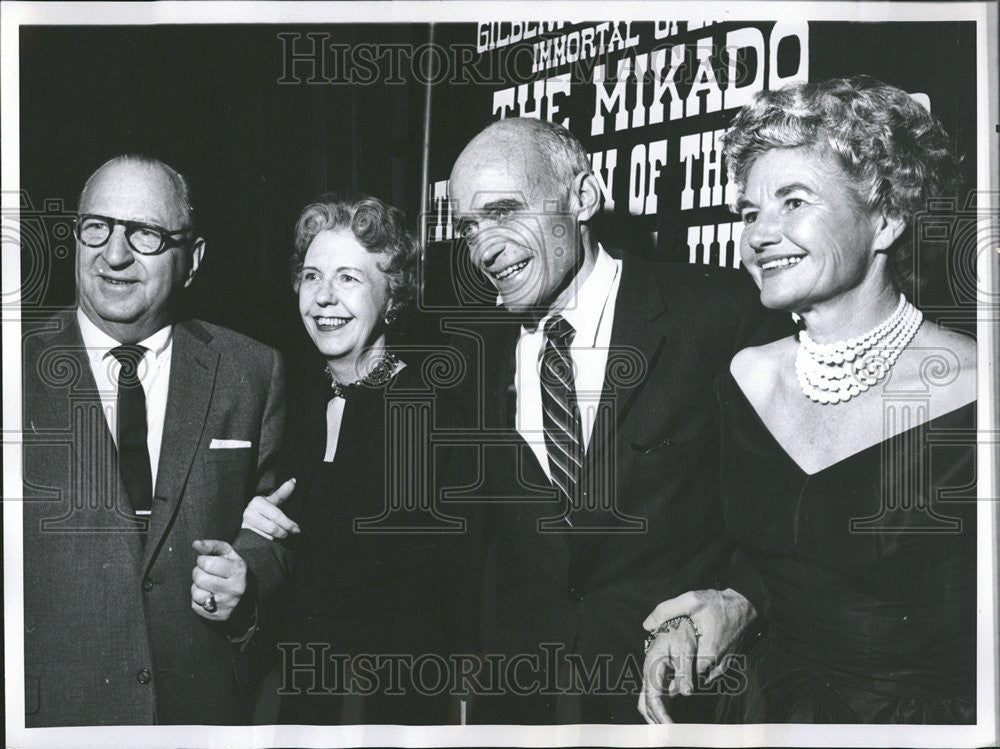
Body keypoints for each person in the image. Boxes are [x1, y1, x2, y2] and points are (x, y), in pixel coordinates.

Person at [640, 76, 977, 724]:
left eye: (793, 201)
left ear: (886, 217)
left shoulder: (975, 391)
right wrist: (728, 601)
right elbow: (785, 554)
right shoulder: (746, 378)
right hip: (763, 709)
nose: (760, 234)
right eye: (748, 211)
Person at [441, 117, 791, 723]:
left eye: (504, 212)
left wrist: (738, 602)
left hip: (678, 698)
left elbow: (790, 514)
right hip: (523, 701)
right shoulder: (471, 354)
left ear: (583, 197)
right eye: (470, 227)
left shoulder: (720, 317)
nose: (484, 249)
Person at [21, 155, 287, 726]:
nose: (114, 255)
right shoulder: (12, 370)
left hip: (205, 715)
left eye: (145, 234)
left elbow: (273, 529)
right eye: (98, 226)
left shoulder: (250, 370)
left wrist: (251, 579)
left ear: (192, 260)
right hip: (53, 718)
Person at [240, 193, 467, 724]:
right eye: (312, 277)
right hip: (301, 692)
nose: (323, 298)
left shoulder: (434, 412)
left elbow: (459, 592)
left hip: (394, 702)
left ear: (392, 296)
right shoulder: (288, 402)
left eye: (348, 278)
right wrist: (248, 521)